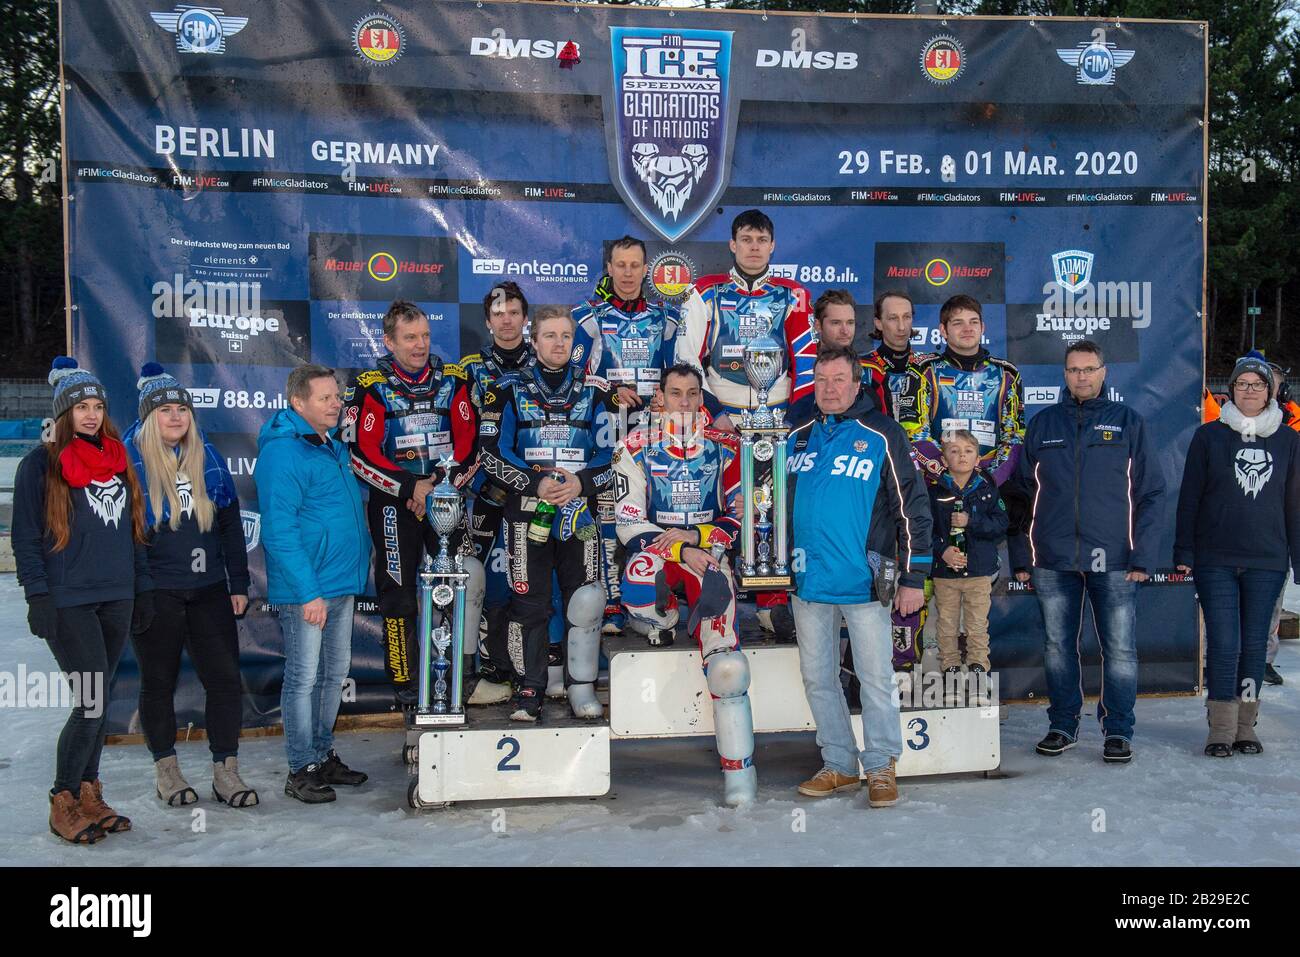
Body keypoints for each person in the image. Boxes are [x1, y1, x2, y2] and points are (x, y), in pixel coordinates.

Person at [786, 345, 933, 807]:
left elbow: (913, 509)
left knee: (875, 678)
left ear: (856, 384)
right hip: (808, 582)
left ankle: (881, 765)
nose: (829, 389)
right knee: (818, 678)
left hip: (865, 583)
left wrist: (913, 578)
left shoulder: (883, 433)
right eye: (821, 380)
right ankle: (840, 764)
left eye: (838, 380)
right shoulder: (797, 434)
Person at [12, 357, 151, 844]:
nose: (90, 414)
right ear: (63, 413)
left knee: (101, 698)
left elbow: (135, 532)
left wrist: (142, 587)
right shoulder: (40, 464)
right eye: (80, 407)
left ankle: (90, 792)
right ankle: (63, 799)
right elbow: (26, 537)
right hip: (69, 600)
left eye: (97, 406)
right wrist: (38, 596)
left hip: (117, 595)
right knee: (91, 700)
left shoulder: (118, 458)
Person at [1012, 340, 1164, 763]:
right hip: (1052, 559)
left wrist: (1142, 555)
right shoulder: (1043, 424)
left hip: (1115, 559)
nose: (1081, 376)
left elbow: (1151, 492)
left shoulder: (1129, 422)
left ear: (1103, 371)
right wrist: (1023, 556)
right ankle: (1063, 724)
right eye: (1073, 369)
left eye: (1089, 369)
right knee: (1058, 647)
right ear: (1064, 374)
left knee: (1119, 650)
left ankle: (1118, 731)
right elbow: (1020, 496)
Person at [612, 363, 756, 804]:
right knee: (638, 577)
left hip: (707, 555)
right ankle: (664, 618)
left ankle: (740, 778)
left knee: (729, 670)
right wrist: (676, 548)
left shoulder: (728, 447)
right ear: (660, 396)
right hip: (659, 554)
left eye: (693, 394)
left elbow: (744, 511)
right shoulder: (633, 446)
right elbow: (627, 519)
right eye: (676, 393)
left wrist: (698, 540)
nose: (686, 402)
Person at [675, 209, 814, 640]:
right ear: (732, 245)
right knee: (728, 506)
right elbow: (685, 360)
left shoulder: (793, 294)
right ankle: (719, 591)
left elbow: (806, 363)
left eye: (762, 239)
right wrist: (714, 412)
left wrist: (790, 421)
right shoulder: (704, 292)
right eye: (746, 239)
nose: (754, 246)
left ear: (773, 246)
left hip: (778, 421)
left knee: (773, 509)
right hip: (721, 418)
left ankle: (773, 604)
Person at [123, 364, 257, 808]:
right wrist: (141, 591)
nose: (177, 417)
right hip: (158, 592)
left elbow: (230, 527)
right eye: (165, 410)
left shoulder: (210, 458)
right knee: (157, 683)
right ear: (148, 418)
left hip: (209, 591)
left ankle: (226, 772)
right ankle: (167, 770)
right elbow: (125, 537)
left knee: (223, 680)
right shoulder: (129, 464)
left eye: (182, 408)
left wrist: (238, 581)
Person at [344, 300, 485, 716]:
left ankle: (457, 673)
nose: (420, 345)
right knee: (397, 597)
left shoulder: (454, 378)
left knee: (458, 583)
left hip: (446, 497)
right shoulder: (370, 384)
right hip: (393, 503)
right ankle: (404, 682)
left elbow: (471, 441)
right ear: (389, 341)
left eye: (424, 335)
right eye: (410, 338)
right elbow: (361, 453)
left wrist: (440, 487)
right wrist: (409, 485)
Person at [477, 307, 617, 721]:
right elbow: (489, 454)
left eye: (566, 336)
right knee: (529, 604)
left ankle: (581, 685)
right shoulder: (503, 389)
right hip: (526, 513)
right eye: (549, 336)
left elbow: (611, 456)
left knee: (585, 602)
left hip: (578, 515)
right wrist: (534, 484)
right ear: (532, 340)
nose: (558, 343)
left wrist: (581, 484)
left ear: (575, 342)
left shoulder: (597, 392)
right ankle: (529, 689)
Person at [1174, 354, 1300, 757]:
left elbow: (1294, 504)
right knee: (1225, 645)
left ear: (1271, 391)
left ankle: (1246, 727)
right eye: (1242, 383)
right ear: (1231, 389)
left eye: (1258, 384)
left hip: (1267, 560)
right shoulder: (1209, 436)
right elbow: (1189, 498)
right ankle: (1221, 729)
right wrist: (1185, 550)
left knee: (1252, 647)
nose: (1250, 390)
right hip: (1216, 559)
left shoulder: (1289, 440)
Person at [257, 364, 370, 803]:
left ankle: (322, 755)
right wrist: (307, 592)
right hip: (310, 590)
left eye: (336, 397)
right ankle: (299, 767)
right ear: (298, 402)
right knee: (303, 678)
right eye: (324, 398)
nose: (335, 404)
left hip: (339, 583)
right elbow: (279, 531)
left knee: (333, 675)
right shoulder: (283, 453)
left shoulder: (329, 444)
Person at [573, 236, 681, 636]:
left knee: (650, 516)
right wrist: (607, 390)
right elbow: (572, 376)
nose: (629, 273)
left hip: (653, 435)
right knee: (607, 519)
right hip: (606, 434)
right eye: (621, 265)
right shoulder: (588, 317)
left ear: (645, 268)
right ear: (609, 267)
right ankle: (614, 605)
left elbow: (680, 374)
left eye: (636, 265)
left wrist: (664, 400)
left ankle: (652, 600)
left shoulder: (665, 318)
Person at [460, 281, 536, 704]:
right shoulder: (470, 368)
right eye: (498, 312)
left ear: (526, 318)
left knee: (531, 583)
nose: (506, 320)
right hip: (486, 494)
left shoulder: (543, 359)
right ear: (487, 321)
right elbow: (466, 435)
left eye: (514, 312)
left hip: (534, 495)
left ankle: (534, 668)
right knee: (483, 581)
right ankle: (486, 670)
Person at [913, 295, 1024, 486]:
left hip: (990, 486)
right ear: (943, 330)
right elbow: (914, 434)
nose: (967, 328)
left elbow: (1014, 437)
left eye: (973, 322)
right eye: (958, 323)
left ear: (982, 327)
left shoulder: (1007, 374)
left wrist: (988, 480)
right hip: (937, 485)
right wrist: (949, 477)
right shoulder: (924, 371)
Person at [928, 430, 1008, 685]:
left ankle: (978, 671)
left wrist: (971, 522)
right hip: (945, 573)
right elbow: (922, 530)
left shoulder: (987, 489)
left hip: (979, 572)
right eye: (954, 451)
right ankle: (950, 669)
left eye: (968, 451)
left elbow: (1001, 524)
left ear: (978, 459)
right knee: (947, 624)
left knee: (976, 626)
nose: (961, 456)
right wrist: (942, 550)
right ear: (944, 458)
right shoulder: (933, 491)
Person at [787, 289, 888, 426]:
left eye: (850, 322)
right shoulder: (796, 368)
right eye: (836, 323)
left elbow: (883, 426)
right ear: (817, 325)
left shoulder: (872, 372)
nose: (845, 331)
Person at [862, 289, 934, 440]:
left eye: (906, 317)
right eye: (893, 318)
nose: (901, 327)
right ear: (879, 323)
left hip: (923, 455)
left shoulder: (929, 365)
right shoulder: (862, 368)